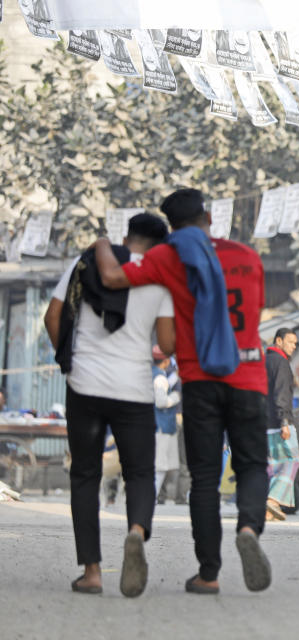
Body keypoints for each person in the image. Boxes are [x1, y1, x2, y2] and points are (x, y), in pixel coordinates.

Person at [95, 188, 272, 595]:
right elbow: (256, 313)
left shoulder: (166, 257)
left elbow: (113, 277)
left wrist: (102, 242)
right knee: (250, 466)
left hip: (198, 380)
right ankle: (248, 527)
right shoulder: (247, 256)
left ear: (171, 226)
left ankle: (208, 574)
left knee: (205, 478)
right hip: (247, 375)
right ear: (208, 216)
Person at [44, 212, 173, 597]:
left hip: (85, 382)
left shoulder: (84, 262)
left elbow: (53, 316)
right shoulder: (159, 277)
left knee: (84, 474)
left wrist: (68, 360)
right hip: (133, 388)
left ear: (127, 235)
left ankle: (93, 572)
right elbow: (167, 345)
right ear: (160, 245)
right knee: (139, 472)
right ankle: (136, 530)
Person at [264, 328, 299, 521]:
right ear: (279, 341)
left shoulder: (263, 360)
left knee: (272, 465)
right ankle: (272, 499)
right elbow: (282, 395)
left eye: (295, 343)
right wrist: (284, 421)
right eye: (290, 342)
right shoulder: (281, 363)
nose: (294, 346)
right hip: (279, 422)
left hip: (264, 422)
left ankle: (267, 510)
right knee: (292, 461)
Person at [152, 346, 182, 503]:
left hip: (151, 424)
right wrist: (176, 397)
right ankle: (151, 497)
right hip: (161, 426)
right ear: (165, 362)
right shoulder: (160, 378)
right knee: (160, 466)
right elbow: (161, 401)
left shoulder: (147, 374)